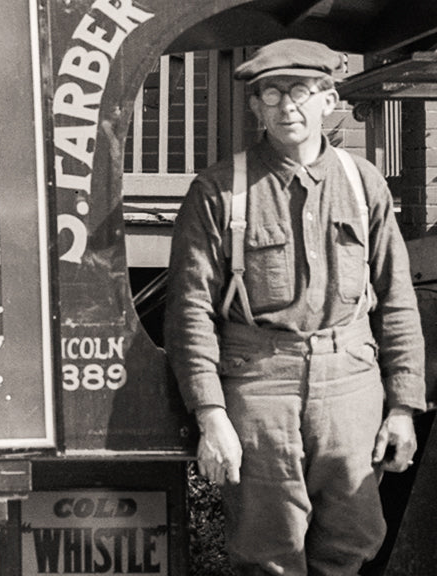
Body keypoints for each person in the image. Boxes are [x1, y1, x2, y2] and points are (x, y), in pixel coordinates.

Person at [164, 38, 426, 576]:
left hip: (351, 384)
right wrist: (211, 415)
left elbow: (396, 297)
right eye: (272, 94)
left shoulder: (362, 183)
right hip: (260, 385)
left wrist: (402, 406)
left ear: (328, 100)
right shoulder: (219, 190)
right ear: (256, 105)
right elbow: (190, 311)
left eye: (302, 92)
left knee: (350, 542)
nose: (288, 107)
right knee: (267, 553)